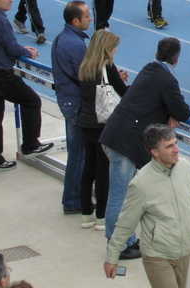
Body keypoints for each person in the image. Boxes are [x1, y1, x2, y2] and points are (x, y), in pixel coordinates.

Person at [99, 37, 190, 260]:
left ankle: (125, 239)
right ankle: (118, 244)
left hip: (116, 135)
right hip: (124, 142)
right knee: (119, 197)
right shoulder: (167, 79)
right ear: (177, 59)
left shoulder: (149, 69)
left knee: (126, 194)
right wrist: (171, 113)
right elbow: (183, 111)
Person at [104, 124, 190, 288]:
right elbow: (126, 223)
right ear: (154, 152)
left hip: (184, 251)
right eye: (169, 146)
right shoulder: (141, 184)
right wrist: (112, 257)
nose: (177, 149)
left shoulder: (184, 167)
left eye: (176, 143)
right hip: (158, 256)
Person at [0, 0, 54, 174]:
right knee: (32, 101)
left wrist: (20, 49)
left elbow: (2, 44)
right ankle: (30, 144)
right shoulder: (0, 21)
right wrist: (28, 53)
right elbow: (11, 48)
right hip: (1, 76)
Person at [78, 30, 129, 231]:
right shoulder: (107, 66)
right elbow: (122, 92)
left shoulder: (85, 65)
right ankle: (101, 215)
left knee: (88, 167)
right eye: (114, 46)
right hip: (102, 123)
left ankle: (86, 213)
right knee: (102, 170)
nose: (116, 49)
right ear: (106, 48)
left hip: (86, 122)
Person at [50, 0, 92, 214]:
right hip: (76, 104)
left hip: (68, 101)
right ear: (76, 21)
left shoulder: (61, 38)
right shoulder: (75, 45)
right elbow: (86, 76)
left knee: (77, 153)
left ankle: (74, 197)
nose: (90, 19)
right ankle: (73, 200)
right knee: (80, 154)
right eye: (87, 16)